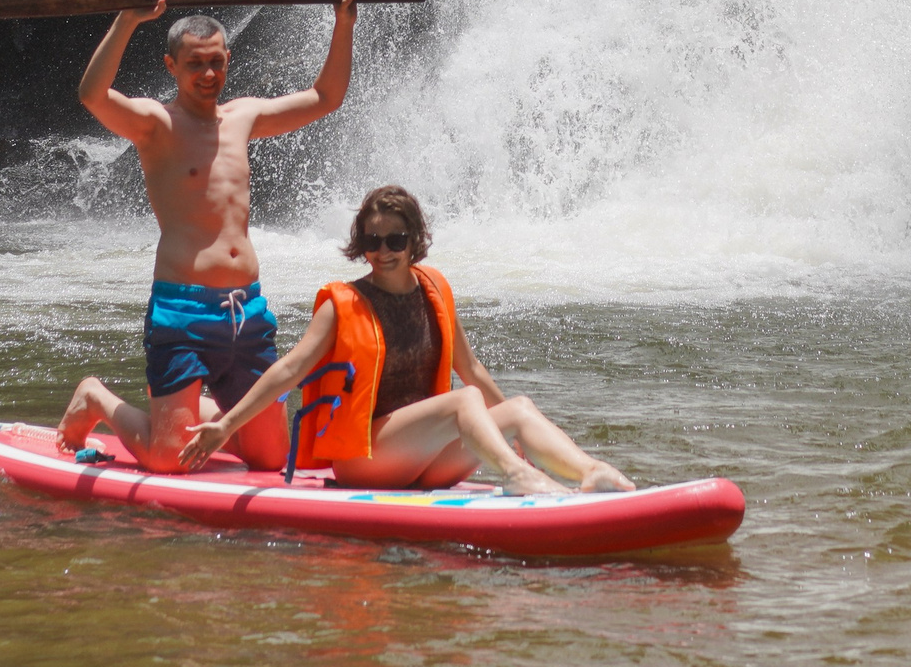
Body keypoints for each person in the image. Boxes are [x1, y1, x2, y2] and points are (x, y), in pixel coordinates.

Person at [55, 0, 360, 471]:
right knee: (168, 460)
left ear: (227, 60)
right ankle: (96, 398)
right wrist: (129, 17)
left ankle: (189, 408)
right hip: (184, 308)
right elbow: (93, 94)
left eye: (216, 61)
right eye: (195, 63)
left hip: (247, 311)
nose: (207, 73)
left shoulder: (243, 117)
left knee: (267, 458)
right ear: (172, 66)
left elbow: (326, 98)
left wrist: (343, 21)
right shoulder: (156, 124)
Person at [179, 185, 634, 495]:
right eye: (372, 241)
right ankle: (516, 475)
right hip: (365, 459)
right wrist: (227, 426)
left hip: (420, 458)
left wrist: (514, 434)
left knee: (517, 409)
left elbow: (469, 369)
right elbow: (289, 371)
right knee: (464, 402)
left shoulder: (433, 289)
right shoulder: (344, 304)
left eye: (395, 239)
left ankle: (590, 472)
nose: (383, 251)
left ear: (415, 240)